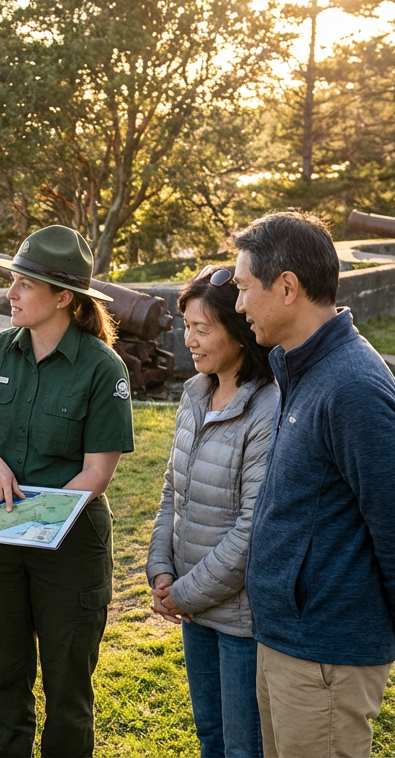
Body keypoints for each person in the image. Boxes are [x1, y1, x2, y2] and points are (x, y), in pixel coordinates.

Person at [233, 211, 395, 757]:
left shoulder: (352, 385)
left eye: (244, 288)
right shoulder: (301, 367)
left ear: (287, 288)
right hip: (287, 638)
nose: (238, 305)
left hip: (325, 650)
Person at [0, 225, 135, 757]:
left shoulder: (103, 368)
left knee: (68, 691)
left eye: (24, 285)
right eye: (13, 280)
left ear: (63, 298)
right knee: (4, 685)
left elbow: (97, 473)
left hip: (70, 547)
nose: (10, 293)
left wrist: (35, 521)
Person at [146, 265, 278, 758]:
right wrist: (161, 569)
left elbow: (251, 528)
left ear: (240, 334)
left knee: (245, 748)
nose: (190, 341)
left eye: (202, 329)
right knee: (211, 740)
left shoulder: (267, 409)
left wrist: (183, 593)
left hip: (240, 618)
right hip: (193, 606)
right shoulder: (195, 393)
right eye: (187, 327)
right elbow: (171, 490)